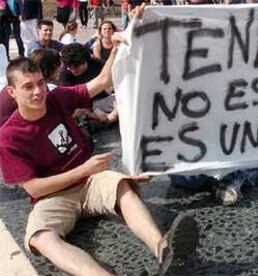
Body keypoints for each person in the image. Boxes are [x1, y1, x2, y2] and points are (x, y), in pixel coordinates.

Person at [0, 7, 200, 274]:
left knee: (123, 188)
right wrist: (85, 169)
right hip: (54, 195)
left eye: (40, 83)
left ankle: (164, 250)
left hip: (91, 181)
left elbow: (103, 81)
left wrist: (117, 45)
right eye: (28, 87)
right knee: (40, 238)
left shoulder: (57, 96)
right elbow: (34, 189)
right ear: (12, 92)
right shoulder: (9, 136)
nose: (38, 92)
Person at [60, 42, 118, 124]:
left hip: (101, 100)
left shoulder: (97, 64)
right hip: (82, 107)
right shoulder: (65, 73)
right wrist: (92, 111)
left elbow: (114, 79)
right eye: (70, 67)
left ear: (85, 60)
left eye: (76, 66)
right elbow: (68, 100)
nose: (73, 70)